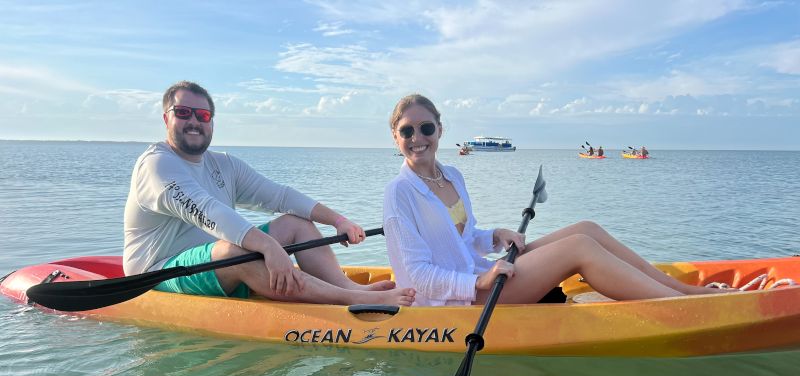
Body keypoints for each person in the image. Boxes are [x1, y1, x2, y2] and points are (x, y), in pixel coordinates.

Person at [382, 94, 729, 306]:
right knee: (578, 247)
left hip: (481, 274)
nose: (418, 138)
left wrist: (493, 236)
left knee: (586, 228)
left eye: (426, 128)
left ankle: (688, 293)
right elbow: (415, 276)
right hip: (460, 298)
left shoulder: (452, 175)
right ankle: (686, 306)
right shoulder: (399, 193)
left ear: (439, 130)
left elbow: (464, 239)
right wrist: (477, 282)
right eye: (407, 131)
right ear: (395, 137)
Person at [124, 81, 415, 306]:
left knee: (295, 222)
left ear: (211, 121)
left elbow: (280, 196)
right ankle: (354, 300)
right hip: (156, 274)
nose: (194, 121)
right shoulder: (157, 165)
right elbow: (209, 212)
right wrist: (268, 247)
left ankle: (348, 288)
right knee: (238, 251)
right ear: (166, 119)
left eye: (203, 115)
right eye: (183, 113)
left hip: (212, 264)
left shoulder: (223, 164)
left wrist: (338, 221)